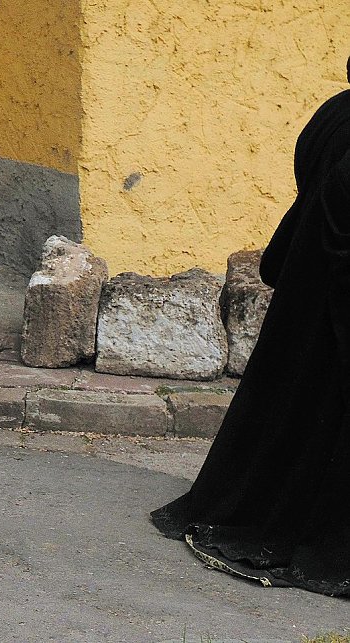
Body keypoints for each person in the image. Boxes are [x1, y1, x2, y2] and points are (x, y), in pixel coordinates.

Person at [151, 69, 350, 596]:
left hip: (307, 300)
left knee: (295, 418)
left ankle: (276, 508)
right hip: (333, 309)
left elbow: (311, 180)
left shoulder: (336, 112)